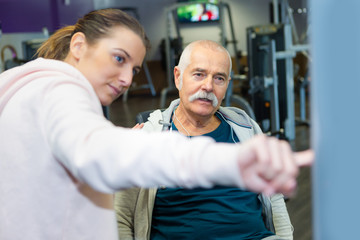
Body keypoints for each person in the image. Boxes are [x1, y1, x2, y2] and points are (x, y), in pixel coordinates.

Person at [0, 8, 312, 240]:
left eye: (134, 69)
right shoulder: (60, 92)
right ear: (78, 46)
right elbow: (95, 154)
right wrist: (230, 160)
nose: (125, 80)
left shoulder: (22, 84)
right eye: (119, 59)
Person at [114, 40, 294, 240]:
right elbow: (121, 218)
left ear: (227, 85)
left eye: (219, 78)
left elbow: (275, 200)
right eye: (199, 74)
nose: (208, 86)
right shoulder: (148, 136)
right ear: (178, 76)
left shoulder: (245, 128)